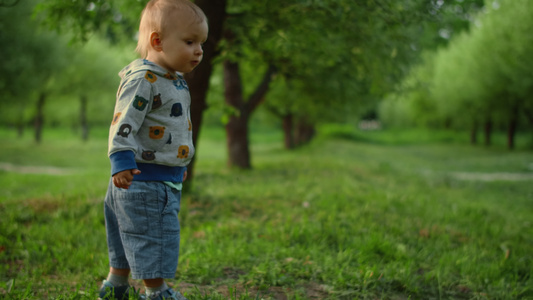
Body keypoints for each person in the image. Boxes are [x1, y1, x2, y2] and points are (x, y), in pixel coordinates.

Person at [98, 0, 208, 299]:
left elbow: (169, 131)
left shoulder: (171, 78)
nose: (199, 50)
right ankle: (156, 291)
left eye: (201, 43)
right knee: (152, 236)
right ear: (157, 41)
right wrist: (120, 160)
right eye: (190, 41)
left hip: (151, 176)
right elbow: (124, 122)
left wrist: (177, 166)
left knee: (126, 235)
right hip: (140, 180)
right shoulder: (144, 79)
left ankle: (116, 286)